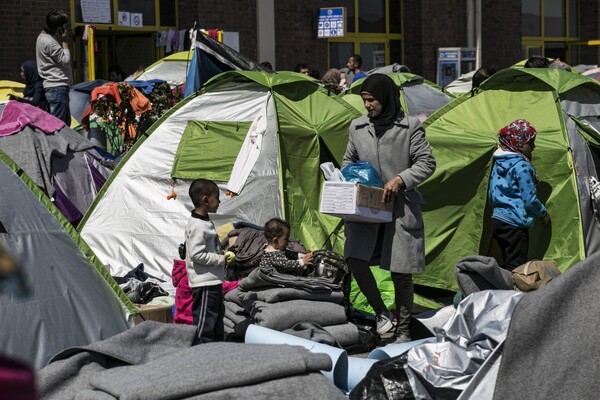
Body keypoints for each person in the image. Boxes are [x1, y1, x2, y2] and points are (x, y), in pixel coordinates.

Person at [342, 74, 436, 343]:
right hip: (366, 208)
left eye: (371, 100)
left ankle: (404, 331)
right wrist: (352, 176)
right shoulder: (357, 127)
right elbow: (348, 160)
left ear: (386, 98)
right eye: (364, 100)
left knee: (400, 272)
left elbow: (426, 162)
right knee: (355, 260)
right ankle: (382, 313)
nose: (367, 106)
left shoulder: (410, 128)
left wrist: (401, 179)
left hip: (400, 210)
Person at [488, 119, 550, 271]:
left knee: (506, 262)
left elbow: (491, 193)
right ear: (517, 141)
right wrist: (543, 213)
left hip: (497, 220)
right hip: (515, 223)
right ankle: (514, 295)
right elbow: (529, 200)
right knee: (517, 268)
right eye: (530, 143)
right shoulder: (522, 166)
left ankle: (503, 292)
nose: (533, 147)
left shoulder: (499, 161)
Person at [185, 178, 235, 343]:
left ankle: (216, 348)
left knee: (216, 317)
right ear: (205, 200)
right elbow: (196, 254)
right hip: (204, 283)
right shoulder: (198, 225)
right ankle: (201, 350)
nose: (219, 201)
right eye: (217, 197)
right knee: (205, 321)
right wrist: (220, 259)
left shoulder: (205, 221)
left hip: (212, 280)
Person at [36, 10, 72, 125]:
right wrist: (64, 41)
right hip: (57, 87)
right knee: (58, 126)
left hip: (55, 88)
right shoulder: (50, 43)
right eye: (64, 25)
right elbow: (65, 60)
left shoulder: (42, 37)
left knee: (64, 125)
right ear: (59, 29)